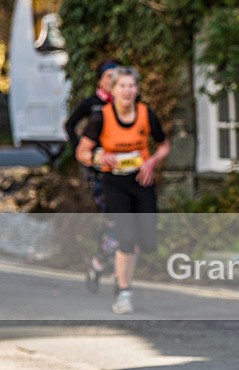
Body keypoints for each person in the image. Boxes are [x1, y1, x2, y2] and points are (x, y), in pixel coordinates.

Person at [75, 66, 171, 314]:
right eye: (122, 86)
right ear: (113, 90)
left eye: (132, 86)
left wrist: (151, 162)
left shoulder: (146, 114)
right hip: (115, 184)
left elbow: (163, 144)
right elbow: (82, 152)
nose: (127, 91)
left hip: (142, 182)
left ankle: (119, 272)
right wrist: (99, 158)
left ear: (137, 90)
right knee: (126, 237)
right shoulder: (101, 118)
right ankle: (124, 290)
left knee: (147, 241)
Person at [64, 58, 121, 292]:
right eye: (109, 76)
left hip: (122, 168)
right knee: (112, 217)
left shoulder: (126, 102)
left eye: (118, 76)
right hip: (98, 171)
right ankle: (118, 271)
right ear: (100, 79)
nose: (114, 80)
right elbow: (70, 125)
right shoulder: (92, 103)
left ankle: (99, 263)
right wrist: (85, 152)